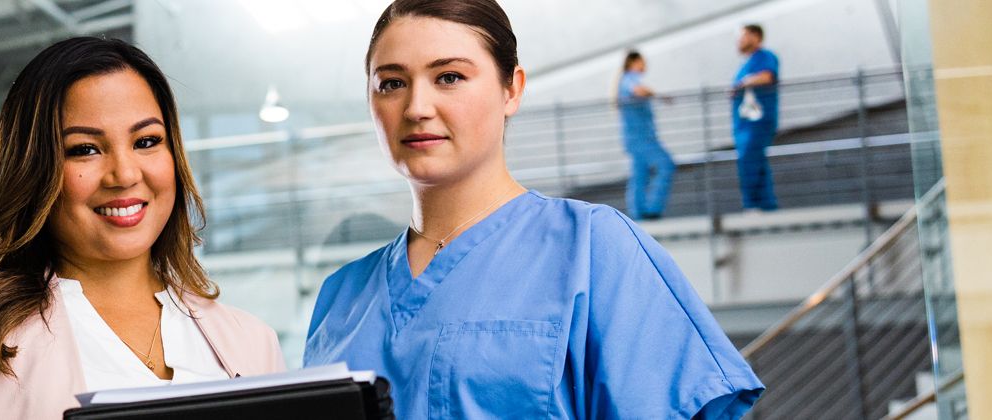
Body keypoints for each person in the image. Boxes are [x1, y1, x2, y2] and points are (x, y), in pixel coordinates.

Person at [301, 1, 764, 418]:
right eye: (392, 83)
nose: (417, 106)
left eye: (449, 77)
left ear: (512, 90)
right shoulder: (340, 299)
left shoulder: (593, 249)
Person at [0, 37, 285, 419]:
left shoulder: (253, 343)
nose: (124, 174)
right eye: (84, 149)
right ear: (34, 170)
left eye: (146, 141)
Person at [617, 50, 676, 220]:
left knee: (639, 174)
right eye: (643, 62)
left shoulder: (624, 80)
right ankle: (652, 208)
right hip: (641, 138)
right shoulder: (630, 78)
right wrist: (658, 96)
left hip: (635, 138)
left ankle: (638, 214)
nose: (645, 66)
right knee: (666, 164)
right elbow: (638, 91)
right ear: (634, 62)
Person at [731, 24, 781, 211]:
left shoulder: (765, 57)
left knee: (750, 161)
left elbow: (767, 76)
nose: (739, 40)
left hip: (757, 121)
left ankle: (754, 205)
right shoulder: (747, 63)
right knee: (755, 161)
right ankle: (766, 205)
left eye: (743, 36)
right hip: (745, 124)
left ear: (755, 37)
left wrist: (742, 84)